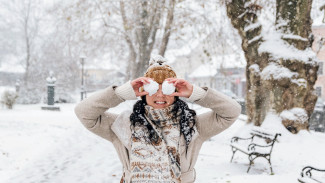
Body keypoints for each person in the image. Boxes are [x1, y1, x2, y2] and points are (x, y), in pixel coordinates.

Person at [74, 55, 241, 183]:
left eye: (166, 89)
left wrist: (195, 93)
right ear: (143, 92)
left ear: (175, 92)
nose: (160, 95)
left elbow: (232, 111)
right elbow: (84, 112)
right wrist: (121, 93)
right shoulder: (123, 125)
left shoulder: (192, 125)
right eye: (154, 88)